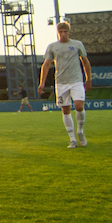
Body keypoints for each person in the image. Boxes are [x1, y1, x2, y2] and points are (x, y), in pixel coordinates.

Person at [38, 20, 92, 148]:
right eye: (61, 32)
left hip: (76, 80)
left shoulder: (77, 44)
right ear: (57, 32)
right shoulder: (52, 46)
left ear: (69, 32)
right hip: (61, 82)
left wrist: (89, 78)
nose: (63, 34)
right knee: (65, 109)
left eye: (65, 32)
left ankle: (80, 131)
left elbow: (85, 62)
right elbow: (46, 65)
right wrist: (42, 83)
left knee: (79, 106)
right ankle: (72, 138)